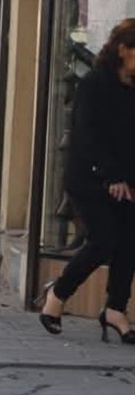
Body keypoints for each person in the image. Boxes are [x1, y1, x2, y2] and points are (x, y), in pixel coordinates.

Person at [37, 18, 135, 342]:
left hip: (127, 179)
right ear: (124, 50)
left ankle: (115, 309)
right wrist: (111, 175)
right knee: (104, 239)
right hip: (91, 178)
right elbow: (87, 135)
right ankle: (58, 294)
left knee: (129, 242)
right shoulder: (94, 83)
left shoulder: (131, 85)